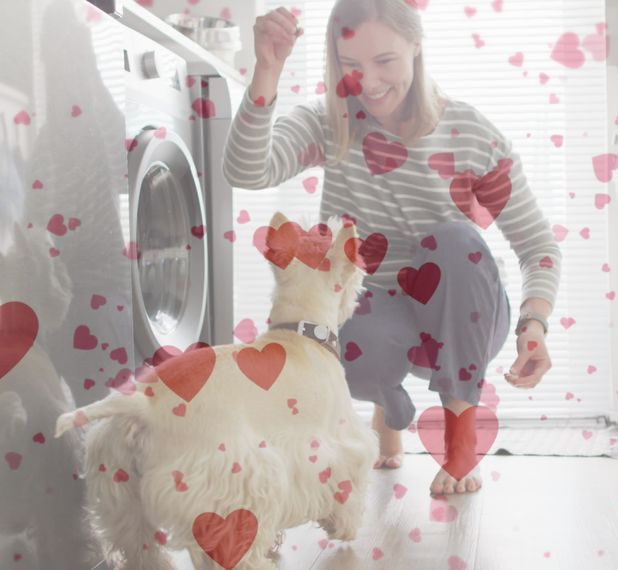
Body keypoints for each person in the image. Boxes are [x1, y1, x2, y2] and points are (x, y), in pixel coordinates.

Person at [222, 0, 561, 496]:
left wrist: (535, 324)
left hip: (462, 316)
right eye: (351, 66)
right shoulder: (328, 124)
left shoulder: (470, 134)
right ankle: (389, 407)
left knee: (454, 241)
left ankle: (461, 440)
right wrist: (267, 70)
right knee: (330, 327)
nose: (369, 82)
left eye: (384, 61)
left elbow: (538, 247)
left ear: (416, 46)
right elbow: (246, 171)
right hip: (375, 316)